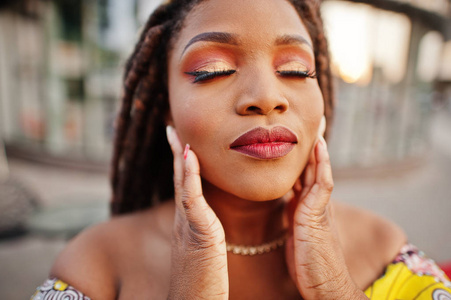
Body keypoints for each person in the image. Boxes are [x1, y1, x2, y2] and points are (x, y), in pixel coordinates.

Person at [31, 0, 451, 299]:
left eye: (295, 70)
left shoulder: (383, 247)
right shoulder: (96, 265)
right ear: (168, 111)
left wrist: (335, 290)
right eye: (214, 70)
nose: (267, 97)